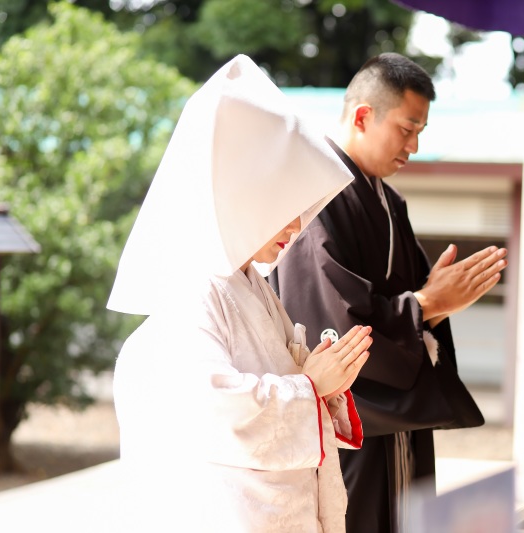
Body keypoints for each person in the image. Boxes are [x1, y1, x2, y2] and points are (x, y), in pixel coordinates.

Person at [107, 54, 372, 533]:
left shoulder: (248, 283)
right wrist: (311, 386)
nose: (296, 227)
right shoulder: (194, 288)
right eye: (283, 206)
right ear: (240, 198)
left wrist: (322, 383)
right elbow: (215, 409)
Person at [269, 53, 509, 532]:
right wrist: (427, 304)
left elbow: (411, 305)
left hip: (392, 419)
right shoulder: (318, 196)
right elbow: (331, 327)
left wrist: (435, 306)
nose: (414, 146)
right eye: (406, 128)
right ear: (363, 116)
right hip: (352, 422)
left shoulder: (386, 199)